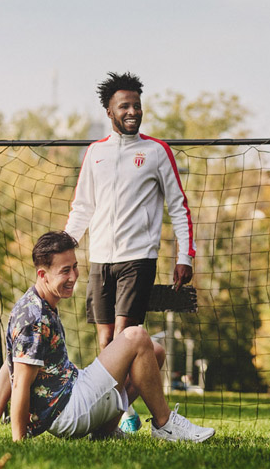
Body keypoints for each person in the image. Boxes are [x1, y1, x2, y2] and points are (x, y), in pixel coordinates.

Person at [0, 231, 214, 444]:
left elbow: (11, 366)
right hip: (67, 411)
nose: (73, 276)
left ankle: (104, 432)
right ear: (42, 274)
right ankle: (165, 425)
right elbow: (20, 382)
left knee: (155, 351)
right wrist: (19, 442)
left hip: (72, 392)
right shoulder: (34, 316)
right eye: (64, 271)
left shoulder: (38, 302)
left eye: (75, 266)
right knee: (135, 336)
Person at [65, 70, 195, 429]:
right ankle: (118, 411)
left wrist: (185, 256)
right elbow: (82, 208)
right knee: (105, 340)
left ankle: (114, 416)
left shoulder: (156, 151)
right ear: (110, 111)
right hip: (100, 260)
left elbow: (178, 206)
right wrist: (63, 248)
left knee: (125, 337)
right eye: (124, 106)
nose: (132, 111)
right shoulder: (95, 153)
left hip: (138, 259)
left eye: (137, 105)